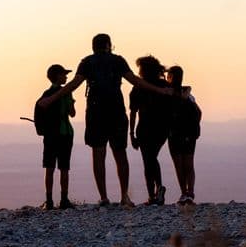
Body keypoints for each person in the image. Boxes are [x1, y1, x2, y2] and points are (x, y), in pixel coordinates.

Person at [39, 34, 170, 207]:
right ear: (108, 45)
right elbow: (135, 81)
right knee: (120, 153)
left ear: (93, 47)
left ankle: (104, 197)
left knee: (98, 154)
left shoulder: (86, 62)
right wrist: (160, 91)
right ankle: (124, 196)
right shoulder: (118, 61)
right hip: (116, 110)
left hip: (95, 112)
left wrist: (51, 99)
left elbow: (73, 85)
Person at [129, 55, 170, 205]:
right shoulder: (164, 85)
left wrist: (131, 134)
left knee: (148, 159)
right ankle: (156, 192)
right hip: (162, 129)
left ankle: (155, 192)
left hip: (145, 128)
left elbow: (133, 112)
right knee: (151, 158)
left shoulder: (138, 87)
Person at [37, 64, 76, 210]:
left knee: (49, 167)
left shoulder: (46, 94)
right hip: (65, 133)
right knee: (64, 167)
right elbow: (72, 113)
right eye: (64, 74)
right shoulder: (66, 93)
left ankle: (49, 201)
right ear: (58, 76)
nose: (66, 76)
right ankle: (64, 200)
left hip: (50, 135)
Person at [166, 65, 201, 204]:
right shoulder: (188, 95)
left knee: (179, 165)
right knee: (189, 164)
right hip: (189, 134)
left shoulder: (168, 95)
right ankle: (190, 192)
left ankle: (184, 192)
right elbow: (199, 112)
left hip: (175, 134)